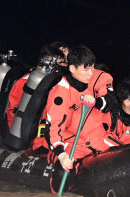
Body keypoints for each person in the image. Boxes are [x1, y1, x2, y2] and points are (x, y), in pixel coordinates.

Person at [45, 45, 117, 180]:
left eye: (92, 67)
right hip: (74, 142)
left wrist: (96, 101)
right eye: (86, 69)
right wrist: (62, 155)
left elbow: (112, 102)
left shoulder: (99, 77)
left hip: (99, 138)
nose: (91, 73)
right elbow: (53, 128)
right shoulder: (60, 93)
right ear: (72, 68)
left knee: (126, 157)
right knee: (63, 174)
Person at [6, 44, 65, 131]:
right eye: (61, 64)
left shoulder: (54, 81)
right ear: (50, 64)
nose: (64, 68)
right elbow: (12, 112)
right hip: (29, 136)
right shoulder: (26, 82)